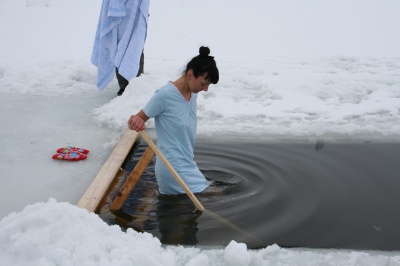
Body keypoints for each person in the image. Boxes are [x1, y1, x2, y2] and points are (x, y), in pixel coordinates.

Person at [128, 46, 219, 195]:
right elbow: (135, 121)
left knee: (210, 199)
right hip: (172, 169)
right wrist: (135, 122)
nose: (206, 89)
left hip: (188, 165)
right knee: (214, 198)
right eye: (204, 84)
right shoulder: (164, 95)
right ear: (190, 74)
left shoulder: (192, 94)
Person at [91, 0, 149, 96]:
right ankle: (125, 85)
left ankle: (135, 83)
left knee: (135, 44)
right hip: (121, 12)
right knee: (119, 45)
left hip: (135, 9)